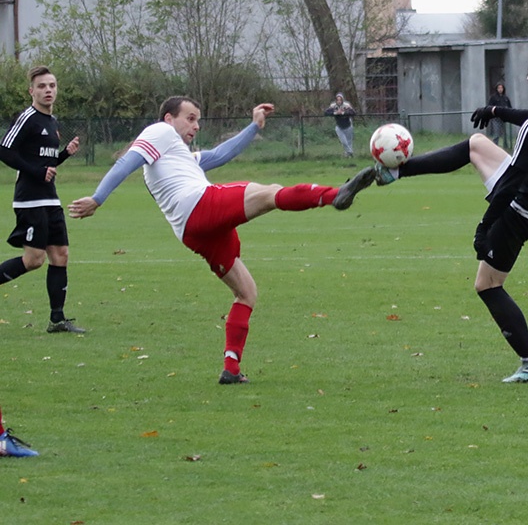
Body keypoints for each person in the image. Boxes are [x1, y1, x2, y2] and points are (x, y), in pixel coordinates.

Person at [68, 98, 376, 384]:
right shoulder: (159, 132)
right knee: (269, 192)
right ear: (168, 118)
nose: (196, 126)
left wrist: (254, 126)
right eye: (190, 119)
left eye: (198, 120)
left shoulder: (177, 155)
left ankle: (231, 368)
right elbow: (127, 162)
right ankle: (335, 195)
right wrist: (98, 198)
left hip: (193, 232)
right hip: (200, 205)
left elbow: (221, 154)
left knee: (247, 293)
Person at [362, 48, 528, 383]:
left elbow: (509, 186)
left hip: (524, 210)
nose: (527, 77)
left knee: (488, 284)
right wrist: (498, 111)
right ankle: (399, 173)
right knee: (477, 144)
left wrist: (484, 228)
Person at [0, 65, 82, 334]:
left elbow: (46, 165)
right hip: (30, 201)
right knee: (34, 259)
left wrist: (64, 155)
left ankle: (57, 320)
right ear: (31, 91)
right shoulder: (28, 117)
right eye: (42, 86)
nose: (48, 90)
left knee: (60, 255)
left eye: (52, 85)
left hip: (50, 199)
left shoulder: (52, 121)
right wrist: (36, 170)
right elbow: (4, 150)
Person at [325, 92, 356, 157]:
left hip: (348, 125)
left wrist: (343, 113)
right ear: (336, 100)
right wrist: (335, 113)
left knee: (349, 141)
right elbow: (326, 112)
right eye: (337, 100)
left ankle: (348, 155)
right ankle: (350, 152)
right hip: (339, 126)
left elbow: (353, 112)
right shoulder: (333, 106)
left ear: (342, 100)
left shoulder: (346, 105)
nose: (339, 101)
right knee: (343, 141)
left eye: (340, 99)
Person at [487, 82, 512, 146]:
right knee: (496, 133)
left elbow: (510, 107)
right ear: (496, 89)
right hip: (496, 118)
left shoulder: (505, 98)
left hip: (504, 117)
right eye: (499, 88)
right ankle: (495, 146)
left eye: (501, 88)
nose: (500, 89)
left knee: (505, 133)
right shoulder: (493, 97)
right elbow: (489, 106)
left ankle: (506, 145)